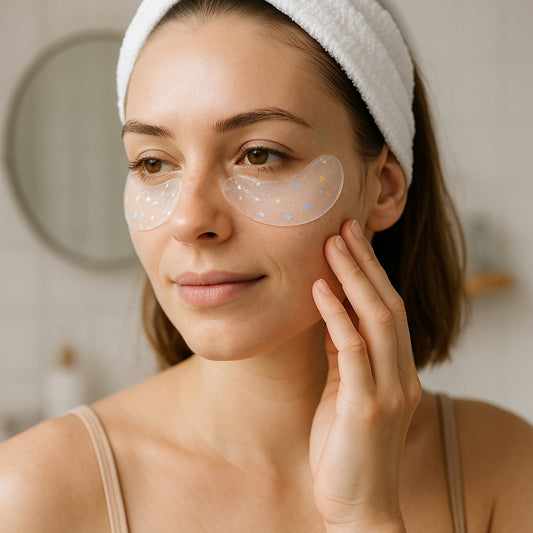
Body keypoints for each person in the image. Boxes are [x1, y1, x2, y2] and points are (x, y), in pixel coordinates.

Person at [1, 0, 532, 531]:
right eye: (153, 162)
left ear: (384, 189)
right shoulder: (30, 495)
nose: (188, 220)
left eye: (260, 154)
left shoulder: (507, 470)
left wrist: (364, 516)